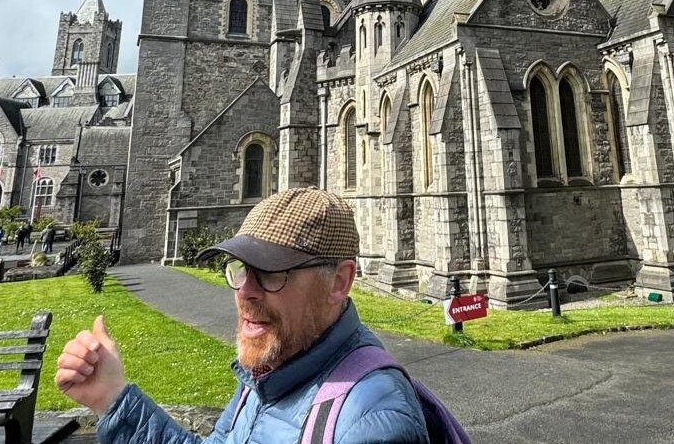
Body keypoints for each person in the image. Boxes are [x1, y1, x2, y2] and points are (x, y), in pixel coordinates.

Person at [55, 188, 431, 443]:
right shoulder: (272, 369)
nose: (245, 291)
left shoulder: (371, 418)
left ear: (339, 282)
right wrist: (112, 399)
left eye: (270, 272)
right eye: (239, 268)